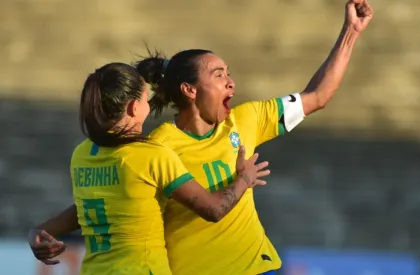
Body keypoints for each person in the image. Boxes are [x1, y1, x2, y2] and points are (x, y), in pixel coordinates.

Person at [29, 1, 373, 274]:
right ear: (189, 90)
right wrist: (243, 180)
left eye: (229, 74)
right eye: (219, 74)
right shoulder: (157, 147)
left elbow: (318, 95)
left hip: (256, 267)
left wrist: (350, 32)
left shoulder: (248, 119)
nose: (231, 82)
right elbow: (116, 200)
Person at [29, 62, 270, 275]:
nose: (151, 104)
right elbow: (214, 210)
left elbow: (91, 208)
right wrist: (244, 179)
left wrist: (40, 230)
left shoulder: (82, 154)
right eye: (146, 99)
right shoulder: (151, 155)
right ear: (134, 107)